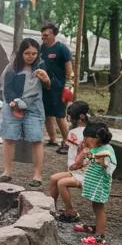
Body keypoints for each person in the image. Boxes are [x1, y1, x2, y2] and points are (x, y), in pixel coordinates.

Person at [0, 37, 50, 185]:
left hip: (34, 105)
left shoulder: (41, 65)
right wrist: (15, 105)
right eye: (27, 53)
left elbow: (48, 86)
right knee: (9, 138)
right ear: (21, 53)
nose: (31, 56)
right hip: (13, 103)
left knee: (36, 139)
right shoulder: (12, 68)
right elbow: (7, 90)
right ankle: (7, 172)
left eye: (34, 53)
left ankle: (37, 175)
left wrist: (46, 79)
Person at [72, 122, 117, 245]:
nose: (85, 140)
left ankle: (99, 236)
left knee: (99, 207)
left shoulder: (107, 150)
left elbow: (108, 164)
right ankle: (96, 228)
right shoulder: (97, 148)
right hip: (94, 184)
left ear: (96, 138)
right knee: (95, 206)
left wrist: (100, 161)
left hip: (100, 185)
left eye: (86, 137)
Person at [49, 100, 91, 222]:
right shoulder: (80, 131)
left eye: (71, 117)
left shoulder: (77, 133)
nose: (69, 119)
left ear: (81, 117)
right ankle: (51, 209)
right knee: (53, 178)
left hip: (85, 172)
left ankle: (70, 211)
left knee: (61, 182)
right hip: (76, 170)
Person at [39, 21, 74, 152]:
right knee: (47, 114)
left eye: (46, 35)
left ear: (53, 34)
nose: (43, 37)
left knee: (60, 115)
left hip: (59, 87)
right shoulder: (41, 48)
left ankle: (67, 142)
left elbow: (68, 66)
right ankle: (53, 139)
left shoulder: (61, 48)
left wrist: (68, 84)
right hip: (44, 87)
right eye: (42, 35)